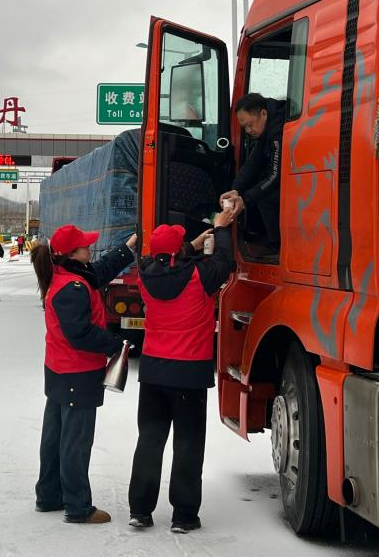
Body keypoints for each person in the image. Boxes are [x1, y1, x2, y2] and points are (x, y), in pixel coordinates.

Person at [128, 210, 234, 533]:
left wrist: (188, 246)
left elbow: (168, 260)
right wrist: (220, 228)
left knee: (150, 440)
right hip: (189, 375)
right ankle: (184, 516)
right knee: (187, 444)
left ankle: (141, 510)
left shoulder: (145, 275)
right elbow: (225, 262)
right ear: (178, 251)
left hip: (154, 373)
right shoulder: (200, 276)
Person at [31, 225, 137, 524]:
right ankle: (78, 506)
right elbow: (80, 333)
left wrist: (127, 248)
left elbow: (98, 272)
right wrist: (117, 344)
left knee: (55, 437)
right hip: (77, 371)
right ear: (73, 253)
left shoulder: (68, 275)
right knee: (75, 442)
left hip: (59, 370)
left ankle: (49, 495)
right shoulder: (72, 288)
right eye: (85, 246)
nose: (90, 249)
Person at [221, 92, 285, 257]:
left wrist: (246, 199)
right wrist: (236, 189)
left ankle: (276, 246)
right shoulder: (265, 130)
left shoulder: (278, 131)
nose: (249, 131)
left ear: (263, 113)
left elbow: (275, 175)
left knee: (265, 198)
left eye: (250, 125)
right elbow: (252, 164)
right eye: (245, 128)